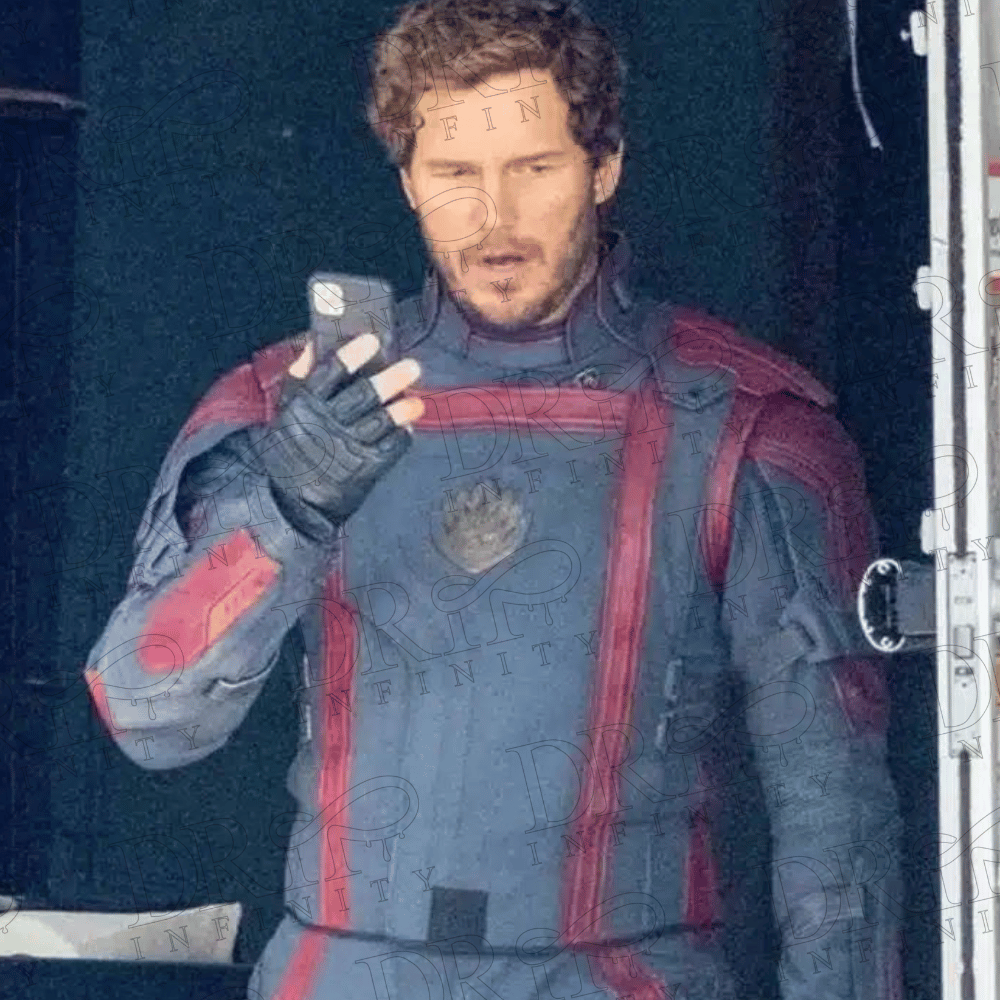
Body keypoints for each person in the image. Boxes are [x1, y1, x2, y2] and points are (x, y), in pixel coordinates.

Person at [83, 1, 904, 998]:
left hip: (616, 975)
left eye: (534, 168)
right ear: (408, 182)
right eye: (455, 173)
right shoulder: (289, 403)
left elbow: (835, 822)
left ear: (603, 167)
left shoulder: (743, 423)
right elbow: (147, 713)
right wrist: (288, 502)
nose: (493, 218)